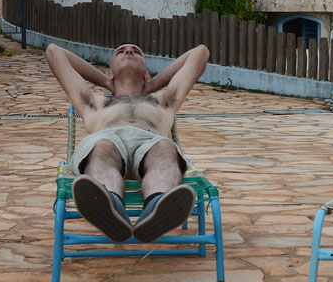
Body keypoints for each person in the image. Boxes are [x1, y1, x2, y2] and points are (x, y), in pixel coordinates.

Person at [46, 42, 210, 243]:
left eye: (136, 51)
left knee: (166, 147)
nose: (129, 51)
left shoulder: (164, 100)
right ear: (110, 72)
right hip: (108, 141)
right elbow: (54, 52)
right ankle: (111, 207)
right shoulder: (93, 103)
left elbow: (200, 53)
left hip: (151, 142)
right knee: (102, 146)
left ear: (147, 73)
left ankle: (156, 209)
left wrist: (152, 85)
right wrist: (106, 82)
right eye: (121, 51)